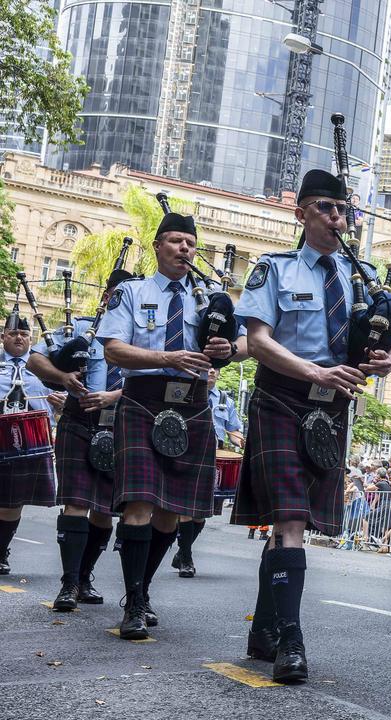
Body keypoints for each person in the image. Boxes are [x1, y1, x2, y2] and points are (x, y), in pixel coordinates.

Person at [231, 168, 391, 682]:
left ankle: (263, 630)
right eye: (327, 208)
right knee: (289, 521)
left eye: (343, 209)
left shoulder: (363, 277)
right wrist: (314, 371)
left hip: (332, 410)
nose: (338, 218)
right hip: (282, 399)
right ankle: (290, 641)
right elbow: (259, 341)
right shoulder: (275, 269)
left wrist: (390, 361)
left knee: (289, 525)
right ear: (301, 213)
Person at [98, 210, 247, 641]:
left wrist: (226, 349)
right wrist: (168, 358)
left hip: (194, 405)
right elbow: (113, 350)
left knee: (170, 513)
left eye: (191, 243)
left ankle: (142, 591)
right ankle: (133, 602)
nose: (186, 249)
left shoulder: (210, 298)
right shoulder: (131, 292)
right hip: (144, 400)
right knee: (141, 503)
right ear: (158, 246)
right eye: (177, 241)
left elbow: (243, 346)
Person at [28, 270, 130, 609]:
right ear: (105, 297)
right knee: (77, 502)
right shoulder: (81, 330)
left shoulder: (142, 337)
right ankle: (68, 585)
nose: (119, 300)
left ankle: (84, 576)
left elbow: (154, 380)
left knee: (103, 511)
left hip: (121, 425)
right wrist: (63, 377)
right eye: (114, 294)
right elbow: (34, 358)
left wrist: (112, 396)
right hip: (78, 420)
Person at [0, 313, 61, 576]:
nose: (19, 338)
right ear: (3, 337)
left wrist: (60, 403)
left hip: (29, 442)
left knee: (14, 501)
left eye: (24, 334)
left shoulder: (44, 369)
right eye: (13, 333)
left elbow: (61, 400)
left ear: (30, 340)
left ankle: (1, 551)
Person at [170, 366, 244, 579]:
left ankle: (183, 552)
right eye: (208, 368)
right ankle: (186, 558)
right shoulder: (186, 392)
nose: (212, 371)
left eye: (216, 369)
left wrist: (240, 440)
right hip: (188, 450)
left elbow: (233, 429)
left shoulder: (225, 400)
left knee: (202, 512)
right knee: (187, 505)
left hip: (214, 455)